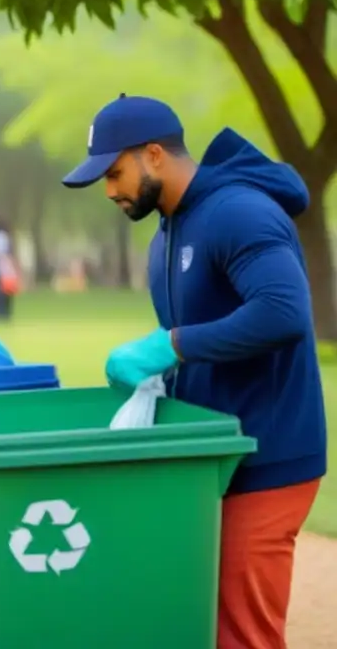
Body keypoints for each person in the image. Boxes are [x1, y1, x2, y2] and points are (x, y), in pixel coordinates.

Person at [63, 93, 326, 649]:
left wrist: (172, 346)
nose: (110, 191)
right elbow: (205, 343)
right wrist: (157, 379)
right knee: (193, 623)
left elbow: (284, 313)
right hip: (209, 458)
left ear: (154, 154)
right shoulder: (166, 237)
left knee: (241, 636)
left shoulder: (239, 211)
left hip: (268, 456)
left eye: (115, 173)